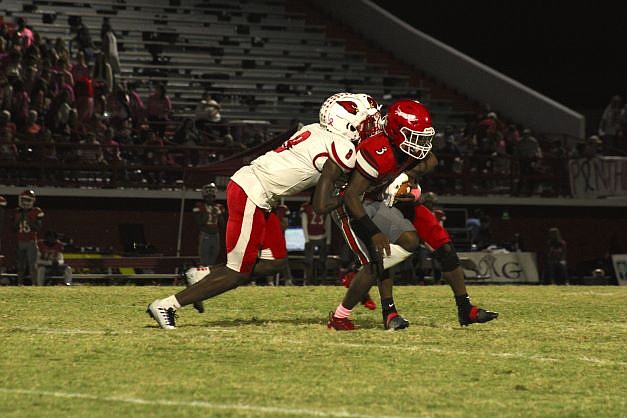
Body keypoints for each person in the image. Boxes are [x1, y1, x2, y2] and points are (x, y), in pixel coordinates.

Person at [147, 92, 381, 328]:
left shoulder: (316, 130)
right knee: (236, 272)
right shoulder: (341, 147)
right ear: (345, 122)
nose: (370, 128)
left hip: (260, 192)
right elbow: (320, 206)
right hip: (252, 192)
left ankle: (202, 274)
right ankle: (167, 305)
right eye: (366, 122)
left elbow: (315, 188)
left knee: (275, 262)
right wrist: (349, 195)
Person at [326, 100, 498, 330]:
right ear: (396, 132)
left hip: (393, 199)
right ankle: (387, 310)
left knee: (444, 246)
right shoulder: (378, 149)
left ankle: (465, 308)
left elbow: (431, 160)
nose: (422, 143)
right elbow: (354, 195)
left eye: (423, 137)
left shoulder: (409, 146)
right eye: (415, 136)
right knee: (383, 253)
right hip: (368, 200)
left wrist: (405, 176)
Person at [14, 189, 44, 285]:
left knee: (32, 264)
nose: (25, 202)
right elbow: (14, 227)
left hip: (31, 241)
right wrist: (19, 218)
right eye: (23, 199)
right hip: (20, 240)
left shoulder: (36, 211)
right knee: (20, 265)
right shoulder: (17, 211)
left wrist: (28, 218)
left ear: (32, 200)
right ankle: (20, 284)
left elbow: (38, 228)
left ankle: (35, 284)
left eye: (27, 200)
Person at [193, 183, 226, 268]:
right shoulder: (199, 206)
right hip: (205, 234)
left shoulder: (219, 207)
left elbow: (222, 225)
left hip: (216, 234)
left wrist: (218, 214)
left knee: (214, 256)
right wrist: (208, 213)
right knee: (205, 258)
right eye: (208, 197)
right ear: (204, 197)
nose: (210, 198)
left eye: (212, 196)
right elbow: (200, 223)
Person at [300, 197, 332, 285]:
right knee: (309, 262)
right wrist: (307, 239)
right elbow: (304, 222)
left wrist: (328, 239)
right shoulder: (307, 207)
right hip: (312, 238)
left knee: (322, 262)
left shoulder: (323, 206)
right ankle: (308, 281)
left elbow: (328, 223)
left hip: (321, 236)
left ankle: (322, 281)